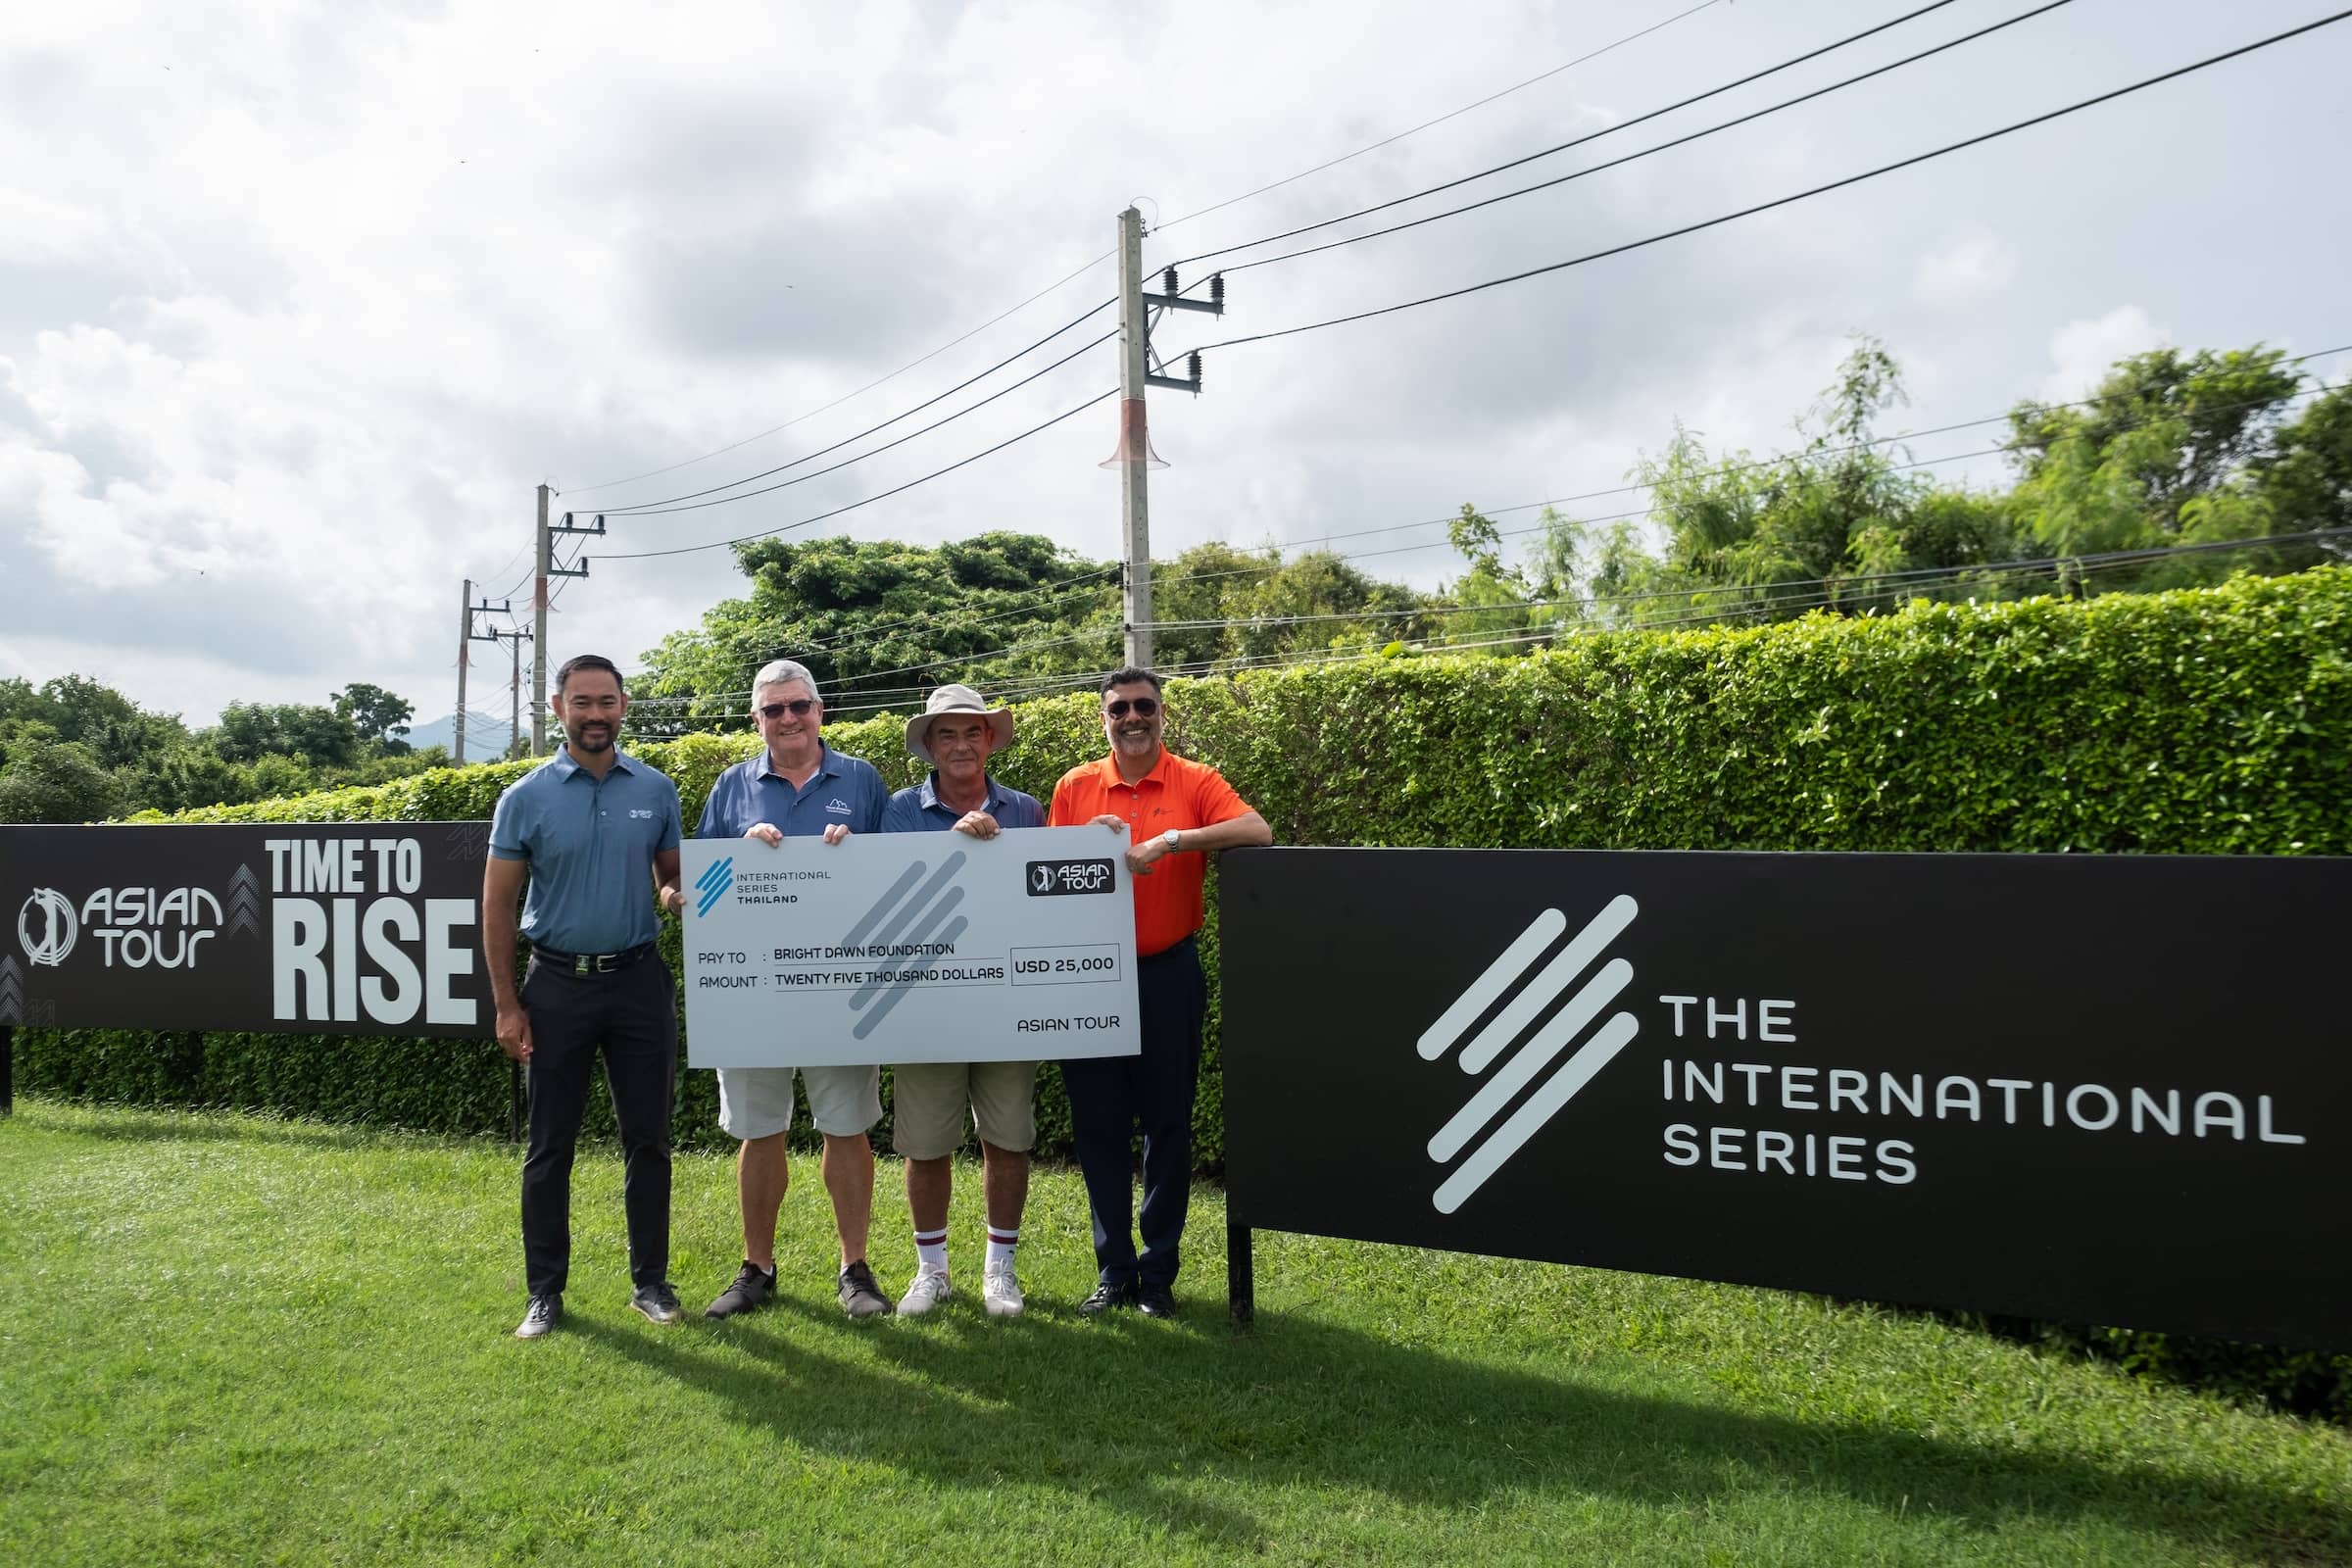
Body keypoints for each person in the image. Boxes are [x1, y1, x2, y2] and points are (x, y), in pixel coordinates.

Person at [1048, 666, 1271, 1317]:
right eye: (1119, 709)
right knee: (1098, 1127)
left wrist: (1175, 841)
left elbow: (1255, 830)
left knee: (1168, 1126)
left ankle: (1158, 1275)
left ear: (1162, 714)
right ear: (1104, 720)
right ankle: (1114, 1272)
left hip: (1168, 972)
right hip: (1088, 976)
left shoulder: (1194, 781)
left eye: (1144, 706)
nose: (1133, 717)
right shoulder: (1075, 787)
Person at [483, 654, 688, 1341]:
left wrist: (673, 893)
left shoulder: (657, 790)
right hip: (556, 985)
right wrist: (508, 1004)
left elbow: (669, 878)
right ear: (558, 708)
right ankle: (545, 1293)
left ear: (624, 707)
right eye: (582, 702)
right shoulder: (525, 797)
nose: (595, 714)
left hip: (637, 980)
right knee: (550, 1147)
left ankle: (650, 1283)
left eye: (606, 701)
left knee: (649, 1141)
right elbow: (498, 905)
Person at [696, 659, 896, 1320]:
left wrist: (855, 853)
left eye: (798, 706)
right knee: (759, 1129)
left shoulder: (862, 781)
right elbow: (698, 892)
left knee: (847, 1127)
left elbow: (896, 877)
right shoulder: (730, 788)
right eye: (773, 710)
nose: (788, 719)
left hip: (842, 987)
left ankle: (855, 1268)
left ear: (820, 711)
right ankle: (757, 1266)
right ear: (755, 720)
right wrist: (740, 855)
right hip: (754, 989)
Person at [879, 685, 1046, 1319]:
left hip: (1005, 1001)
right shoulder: (898, 810)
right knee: (926, 1145)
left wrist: (1104, 844)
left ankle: (999, 1270)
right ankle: (933, 1271)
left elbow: (1048, 896)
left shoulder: (1027, 810)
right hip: (926, 1005)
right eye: (945, 734)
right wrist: (956, 844)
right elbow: (892, 902)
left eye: (971, 733)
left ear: (988, 741)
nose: (959, 745)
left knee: (1008, 1139)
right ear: (929, 746)